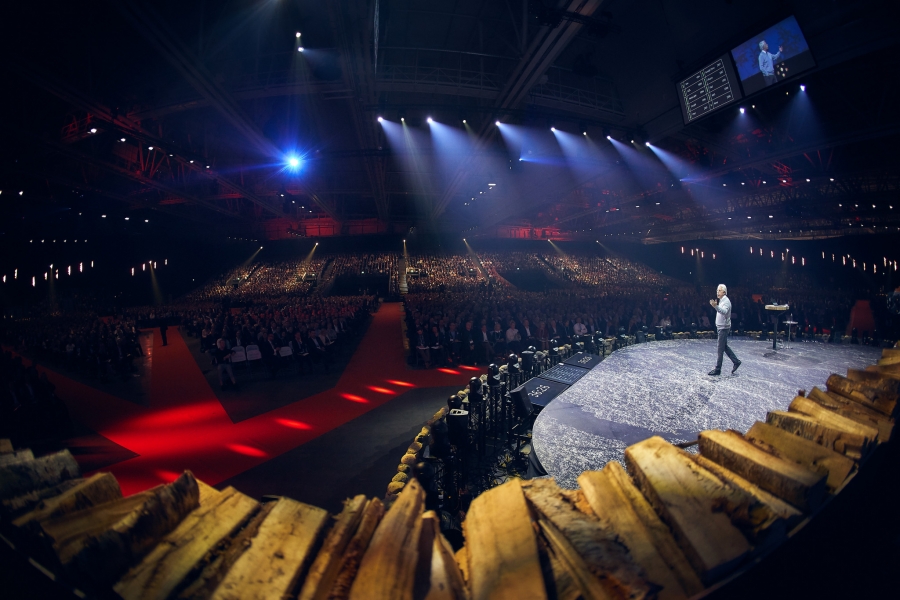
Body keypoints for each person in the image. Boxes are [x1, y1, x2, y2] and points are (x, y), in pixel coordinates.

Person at [709, 284, 741, 376]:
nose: (717, 292)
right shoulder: (722, 300)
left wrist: (715, 306)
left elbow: (724, 312)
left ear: (724, 292)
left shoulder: (726, 301)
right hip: (721, 327)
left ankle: (718, 369)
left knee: (720, 349)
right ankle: (736, 361)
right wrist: (716, 306)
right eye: (717, 290)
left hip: (723, 327)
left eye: (719, 290)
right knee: (724, 347)